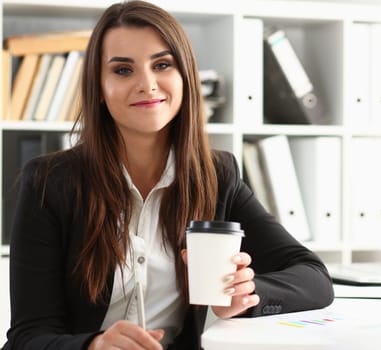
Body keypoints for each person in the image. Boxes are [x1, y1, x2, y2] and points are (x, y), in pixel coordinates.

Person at [3, 1, 334, 349]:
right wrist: (94, 345)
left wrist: (246, 293)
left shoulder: (217, 177)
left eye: (162, 65)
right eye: (122, 70)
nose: (147, 84)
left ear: (185, 77)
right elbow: (28, 336)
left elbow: (313, 278)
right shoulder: (49, 182)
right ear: (98, 87)